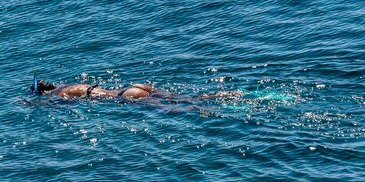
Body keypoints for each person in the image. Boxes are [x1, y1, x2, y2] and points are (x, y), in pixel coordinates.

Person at [31, 77, 244, 102]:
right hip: (132, 86)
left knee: (184, 107)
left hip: (128, 96)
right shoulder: (67, 84)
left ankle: (220, 106)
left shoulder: (60, 94)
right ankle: (225, 94)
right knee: (187, 97)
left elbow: (54, 105)